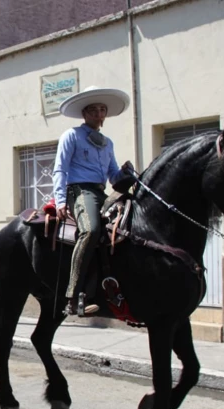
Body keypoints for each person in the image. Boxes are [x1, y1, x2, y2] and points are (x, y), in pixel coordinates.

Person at [52, 86, 137, 316]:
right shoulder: (72, 136)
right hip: (78, 191)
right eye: (94, 110)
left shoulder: (108, 143)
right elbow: (59, 169)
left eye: (102, 110)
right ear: (85, 114)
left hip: (101, 192)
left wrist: (126, 173)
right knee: (90, 230)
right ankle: (72, 296)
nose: (99, 114)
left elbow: (113, 177)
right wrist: (60, 201)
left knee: (127, 225)